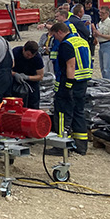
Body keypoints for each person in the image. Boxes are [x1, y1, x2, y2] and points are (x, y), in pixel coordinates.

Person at [45, 23, 92, 155]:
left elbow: (70, 65)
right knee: (78, 112)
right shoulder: (81, 41)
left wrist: (68, 86)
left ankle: (61, 146)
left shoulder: (66, 44)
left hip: (69, 82)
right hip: (82, 82)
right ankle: (81, 146)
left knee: (62, 114)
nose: (55, 39)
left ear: (60, 32)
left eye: (54, 36)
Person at [11, 41, 45, 109]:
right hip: (16, 81)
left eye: (32, 56)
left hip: (32, 84)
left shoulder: (37, 58)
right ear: (23, 49)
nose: (29, 57)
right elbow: (6, 69)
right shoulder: (15, 52)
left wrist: (27, 77)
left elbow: (40, 76)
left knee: (33, 105)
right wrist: (15, 74)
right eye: (27, 54)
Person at [92, 6, 110, 80]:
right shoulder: (101, 23)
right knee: (102, 67)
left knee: (107, 67)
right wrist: (95, 34)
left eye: (102, 13)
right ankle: (104, 80)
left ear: (107, 14)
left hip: (108, 45)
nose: (100, 14)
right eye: (100, 12)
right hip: (101, 45)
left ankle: (108, 82)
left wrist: (100, 35)